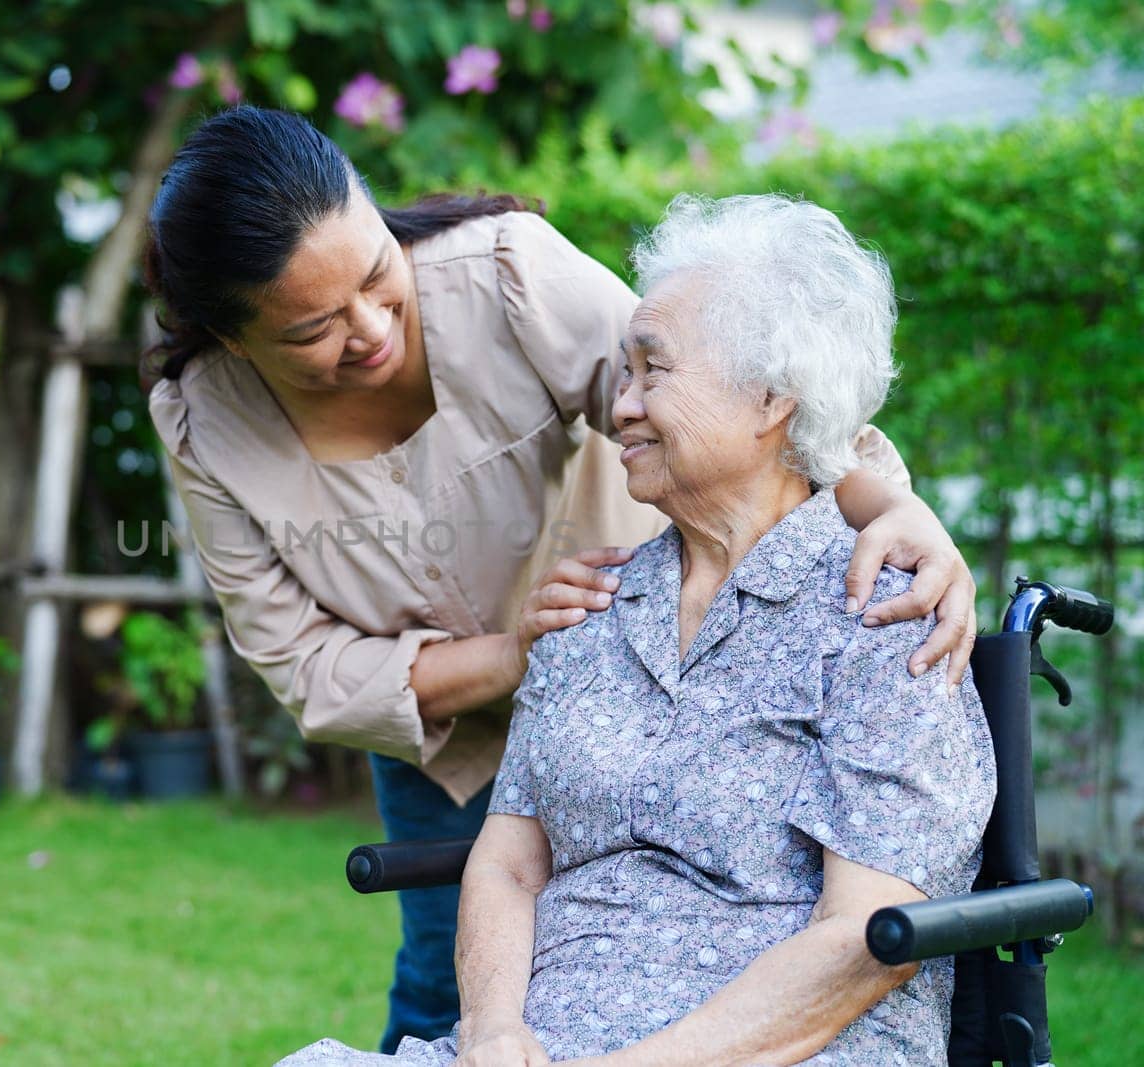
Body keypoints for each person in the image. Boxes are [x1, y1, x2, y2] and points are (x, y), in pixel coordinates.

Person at [144, 107, 980, 1053]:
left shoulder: (500, 274)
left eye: (379, 277)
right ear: (237, 339)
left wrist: (899, 509)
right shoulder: (206, 419)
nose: (372, 328)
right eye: (313, 328)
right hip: (508, 697)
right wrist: (524, 652)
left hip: (656, 657)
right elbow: (309, 668)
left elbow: (728, 382)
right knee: (441, 978)